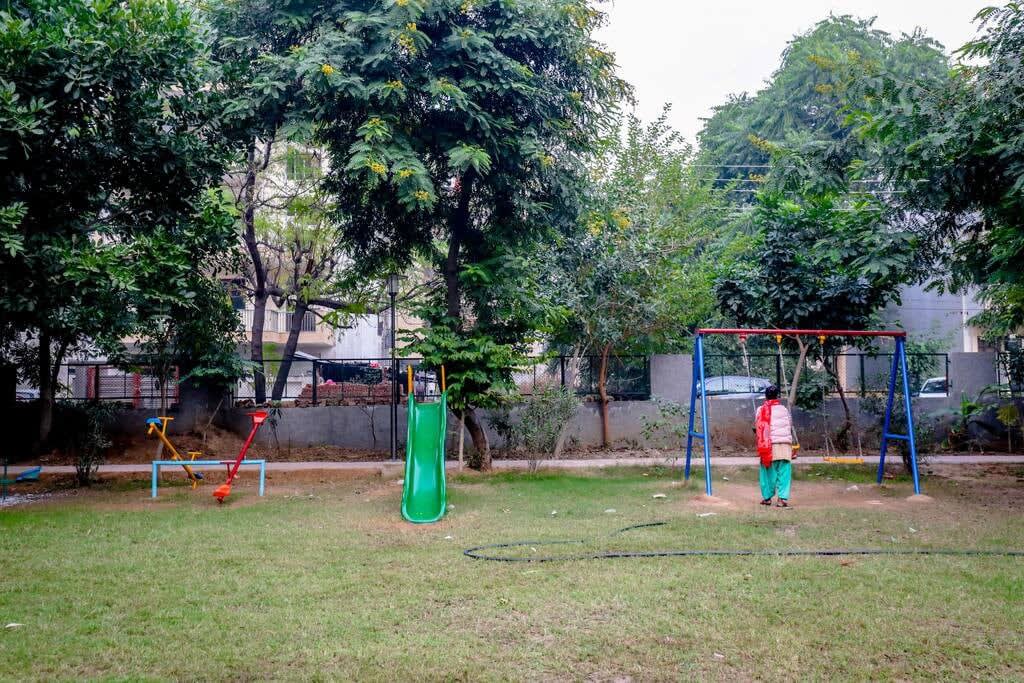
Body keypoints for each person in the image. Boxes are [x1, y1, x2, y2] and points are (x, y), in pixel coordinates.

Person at [755, 385, 795, 507]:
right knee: (784, 473)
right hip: (784, 446)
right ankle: (782, 499)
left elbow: (758, 426)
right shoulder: (784, 409)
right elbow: (789, 424)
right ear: (777, 396)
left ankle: (767, 498)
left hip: (769, 446)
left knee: (767, 474)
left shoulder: (760, 410)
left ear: (766, 396)